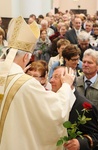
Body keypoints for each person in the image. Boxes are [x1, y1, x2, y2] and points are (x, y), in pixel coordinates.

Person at [0, 16, 76, 150]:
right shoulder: (25, 83)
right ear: (25, 57)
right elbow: (55, 111)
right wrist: (66, 85)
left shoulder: (5, 74)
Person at [50, 66, 98, 150]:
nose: (51, 80)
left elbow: (94, 135)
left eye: (56, 77)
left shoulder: (84, 105)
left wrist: (80, 142)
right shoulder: (51, 98)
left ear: (69, 80)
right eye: (52, 77)